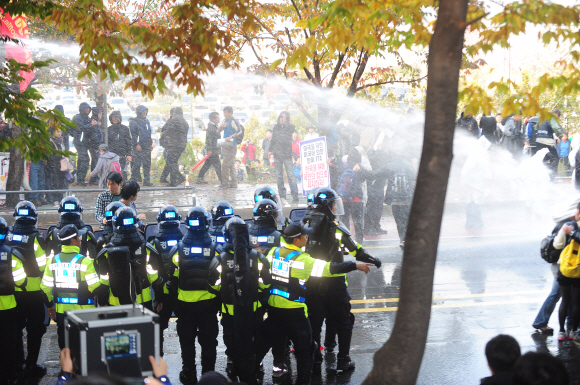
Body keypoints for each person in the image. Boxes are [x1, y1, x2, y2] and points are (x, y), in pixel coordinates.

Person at [255, 221, 373, 385]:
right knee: (305, 353)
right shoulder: (303, 261)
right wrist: (355, 265)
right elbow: (330, 268)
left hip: (274, 310)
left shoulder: (273, 253)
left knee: (261, 345)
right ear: (297, 240)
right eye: (305, 235)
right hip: (295, 313)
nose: (307, 237)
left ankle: (249, 375)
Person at [301, 188, 381, 371]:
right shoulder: (335, 227)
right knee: (344, 321)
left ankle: (315, 359)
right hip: (335, 284)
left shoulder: (303, 224)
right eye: (333, 203)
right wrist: (372, 259)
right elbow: (355, 250)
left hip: (311, 283)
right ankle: (343, 359)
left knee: (313, 323)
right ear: (328, 205)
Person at [214, 217, 271, 384]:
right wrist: (256, 291)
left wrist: (224, 293)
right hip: (254, 310)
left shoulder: (220, 258)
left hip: (229, 312)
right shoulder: (257, 257)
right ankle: (256, 365)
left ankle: (235, 366)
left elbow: (212, 284)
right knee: (254, 339)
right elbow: (266, 282)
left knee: (232, 342)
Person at [169, 207, 220, 385]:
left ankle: (189, 374)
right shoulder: (215, 249)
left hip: (184, 306)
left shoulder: (178, 249)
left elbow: (172, 277)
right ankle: (208, 375)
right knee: (208, 343)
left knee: (187, 343)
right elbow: (219, 278)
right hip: (208, 305)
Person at [40, 224, 102, 350]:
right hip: (84, 312)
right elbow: (95, 287)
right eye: (78, 237)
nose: (80, 239)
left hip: (62, 312)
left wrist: (50, 305)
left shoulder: (52, 261)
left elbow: (45, 288)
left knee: (64, 343)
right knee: (83, 346)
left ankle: (66, 368)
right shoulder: (84, 261)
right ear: (73, 240)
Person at [7, 201, 48, 377]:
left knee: (15, 328)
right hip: (33, 293)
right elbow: (42, 266)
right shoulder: (36, 238)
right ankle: (31, 365)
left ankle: (17, 362)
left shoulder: (8, 235)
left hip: (12, 291)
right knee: (35, 330)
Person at [96, 206, 164, 309]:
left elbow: (104, 280)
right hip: (143, 303)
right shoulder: (146, 249)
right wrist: (159, 298)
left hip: (115, 304)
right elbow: (154, 278)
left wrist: (102, 302)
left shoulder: (107, 251)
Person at [150, 205, 184, 356]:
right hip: (181, 293)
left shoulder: (153, 244)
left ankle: (158, 360)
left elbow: (152, 273)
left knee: (158, 328)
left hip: (162, 294)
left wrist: (158, 297)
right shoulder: (185, 243)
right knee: (185, 327)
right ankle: (187, 361)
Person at [532, 216, 570, 334]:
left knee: (564, 295)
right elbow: (559, 245)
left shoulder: (564, 223)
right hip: (563, 266)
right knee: (557, 294)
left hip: (560, 265)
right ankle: (541, 322)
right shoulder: (569, 225)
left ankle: (542, 322)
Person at [0, 217, 27, 384]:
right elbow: (21, 281)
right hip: (8, 305)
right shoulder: (11, 254)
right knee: (8, 342)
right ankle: (9, 374)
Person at [553, 202, 580, 340]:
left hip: (564, 268)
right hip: (579, 269)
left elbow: (557, 245)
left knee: (565, 300)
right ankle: (574, 331)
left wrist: (565, 233)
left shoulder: (568, 226)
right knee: (576, 302)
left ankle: (562, 331)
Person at [45, 197, 98, 262]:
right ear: (80, 210)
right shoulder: (87, 232)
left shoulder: (52, 232)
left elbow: (46, 254)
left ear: (59, 210)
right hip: (81, 269)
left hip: (58, 269)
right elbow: (93, 256)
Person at [269, 111, 299, 202]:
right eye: (281, 117)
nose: (282, 118)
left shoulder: (290, 127)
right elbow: (273, 139)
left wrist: (285, 123)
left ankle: (295, 194)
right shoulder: (276, 127)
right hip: (277, 154)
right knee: (279, 175)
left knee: (291, 175)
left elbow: (288, 131)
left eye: (285, 117)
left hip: (287, 154)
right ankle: (282, 194)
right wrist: (270, 150)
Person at [160, 107, 188, 186]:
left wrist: (162, 134)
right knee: (173, 162)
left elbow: (169, 131)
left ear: (175, 113)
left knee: (171, 162)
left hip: (174, 144)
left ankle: (178, 178)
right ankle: (174, 181)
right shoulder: (184, 121)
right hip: (182, 145)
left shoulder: (174, 120)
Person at [72, 102, 98, 186]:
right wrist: (91, 124)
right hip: (79, 142)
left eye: (88, 109)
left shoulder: (87, 118)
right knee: (84, 159)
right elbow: (81, 128)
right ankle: (80, 178)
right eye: (85, 108)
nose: (87, 110)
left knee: (82, 160)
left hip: (86, 142)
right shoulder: (78, 118)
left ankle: (80, 178)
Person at [218, 106, 243, 189]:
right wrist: (221, 126)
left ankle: (226, 183)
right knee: (231, 165)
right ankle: (233, 183)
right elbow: (218, 131)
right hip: (225, 145)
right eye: (224, 113)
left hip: (232, 145)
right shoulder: (224, 121)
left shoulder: (233, 121)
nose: (225, 114)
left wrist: (231, 137)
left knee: (225, 164)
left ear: (231, 113)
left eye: (226, 113)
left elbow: (239, 131)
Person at [197, 111, 223, 185]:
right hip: (213, 151)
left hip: (214, 149)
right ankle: (222, 180)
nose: (219, 119)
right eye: (217, 117)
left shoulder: (214, 127)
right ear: (213, 119)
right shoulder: (211, 128)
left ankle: (199, 178)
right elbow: (208, 140)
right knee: (217, 165)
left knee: (207, 165)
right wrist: (209, 150)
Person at [130, 105, 154, 186]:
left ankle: (146, 180)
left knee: (147, 164)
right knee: (137, 163)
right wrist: (136, 144)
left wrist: (150, 143)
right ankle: (133, 178)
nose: (144, 113)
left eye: (145, 112)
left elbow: (148, 133)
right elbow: (134, 135)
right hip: (139, 145)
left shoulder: (147, 121)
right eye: (143, 112)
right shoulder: (134, 122)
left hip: (147, 145)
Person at [107, 110, 133, 181]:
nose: (115, 119)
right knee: (112, 172)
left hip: (122, 155)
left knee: (122, 172)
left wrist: (129, 154)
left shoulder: (125, 129)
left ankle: (123, 187)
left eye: (116, 117)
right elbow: (106, 143)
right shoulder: (108, 130)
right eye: (113, 117)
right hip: (112, 155)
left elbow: (128, 142)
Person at [45, 128, 67, 206]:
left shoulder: (61, 141)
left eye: (60, 131)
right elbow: (50, 154)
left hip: (60, 165)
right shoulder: (51, 142)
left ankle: (60, 198)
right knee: (54, 182)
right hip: (54, 165)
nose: (59, 133)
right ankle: (55, 199)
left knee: (61, 182)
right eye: (57, 132)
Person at [88, 107, 104, 186]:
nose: (101, 115)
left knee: (96, 161)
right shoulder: (94, 121)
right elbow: (94, 134)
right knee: (95, 162)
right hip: (95, 146)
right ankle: (93, 179)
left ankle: (94, 177)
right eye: (100, 113)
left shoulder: (97, 122)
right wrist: (98, 143)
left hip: (96, 145)